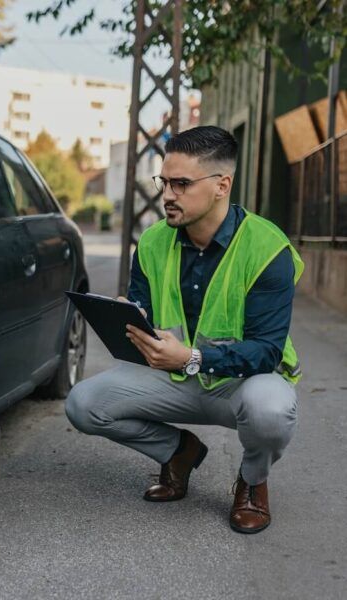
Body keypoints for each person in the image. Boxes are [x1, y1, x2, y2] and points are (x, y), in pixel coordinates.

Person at [65, 126, 302, 534]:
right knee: (83, 404)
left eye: (181, 183)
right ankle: (179, 452)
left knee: (272, 410)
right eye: (164, 181)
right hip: (173, 378)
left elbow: (266, 351)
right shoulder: (154, 242)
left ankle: (252, 482)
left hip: (240, 385)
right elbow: (146, 315)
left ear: (221, 185)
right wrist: (130, 318)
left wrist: (193, 357)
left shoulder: (268, 249)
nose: (168, 194)